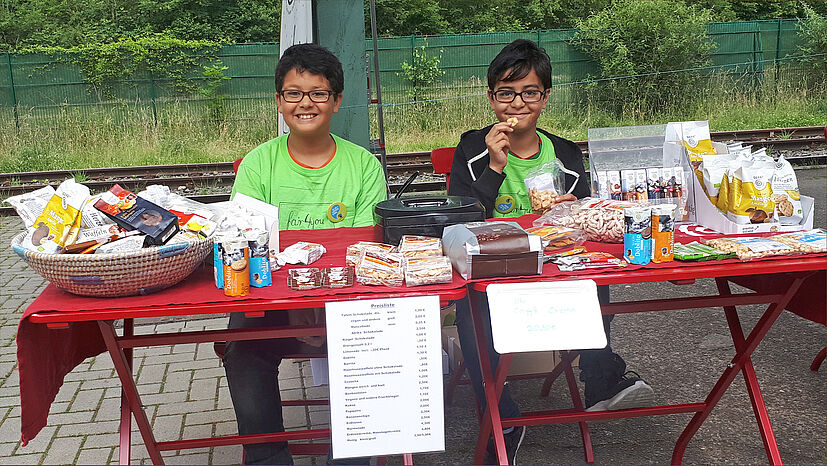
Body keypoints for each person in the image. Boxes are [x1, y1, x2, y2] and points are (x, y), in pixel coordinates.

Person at [447, 39, 654, 465]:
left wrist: (570, 214)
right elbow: (461, 220)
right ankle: (502, 417)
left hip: (556, 266)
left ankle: (599, 380)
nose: (517, 104)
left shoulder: (565, 154)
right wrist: (495, 167)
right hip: (495, 272)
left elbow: (589, 220)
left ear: (545, 97)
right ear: (491, 98)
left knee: (594, 280)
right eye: (506, 93)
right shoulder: (471, 150)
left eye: (530, 93)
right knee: (468, 302)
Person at [225, 43, 387, 465]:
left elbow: (370, 251)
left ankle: (353, 454)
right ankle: (267, 457)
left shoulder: (364, 165)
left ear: (335, 101)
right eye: (294, 93)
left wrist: (321, 308)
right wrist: (296, 308)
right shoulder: (258, 166)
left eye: (318, 93)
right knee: (241, 349)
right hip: (270, 297)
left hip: (346, 299)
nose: (305, 103)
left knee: (380, 344)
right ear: (279, 101)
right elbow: (244, 245)